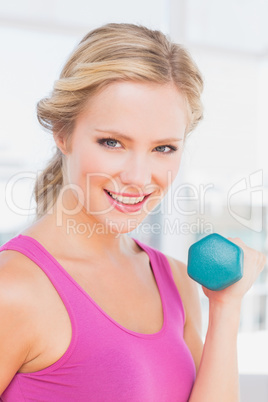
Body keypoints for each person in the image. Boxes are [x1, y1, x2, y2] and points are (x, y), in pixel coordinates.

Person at [0, 23, 266, 402]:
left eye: (163, 148)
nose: (139, 177)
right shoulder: (13, 291)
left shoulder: (175, 280)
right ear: (63, 132)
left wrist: (226, 307)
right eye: (112, 142)